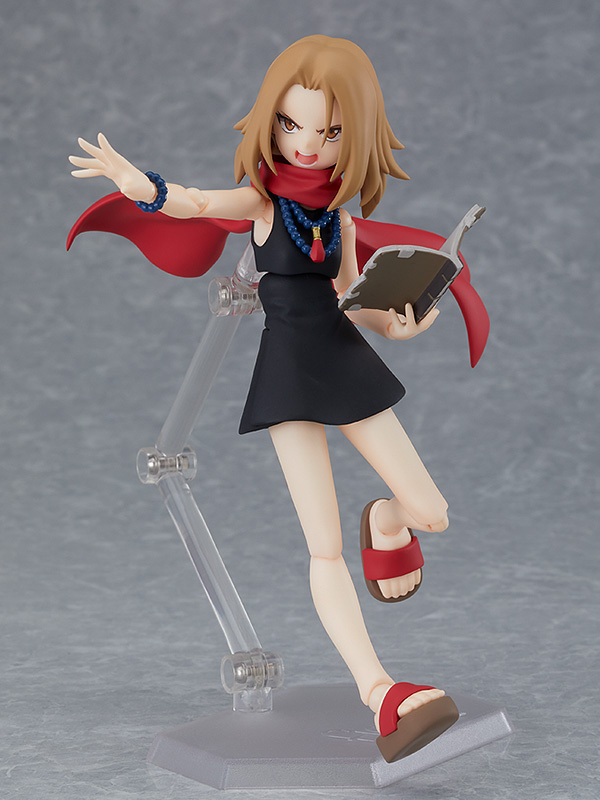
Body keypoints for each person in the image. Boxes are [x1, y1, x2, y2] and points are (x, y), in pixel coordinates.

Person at [69, 35, 483, 762]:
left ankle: (385, 521)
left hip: (345, 359)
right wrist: (143, 186)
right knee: (324, 548)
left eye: (331, 131)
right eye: (293, 124)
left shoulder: (338, 219)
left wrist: (404, 320)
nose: (309, 144)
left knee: (431, 512)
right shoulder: (262, 202)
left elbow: (355, 302)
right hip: (288, 375)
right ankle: (380, 692)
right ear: (271, 121)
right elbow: (198, 202)